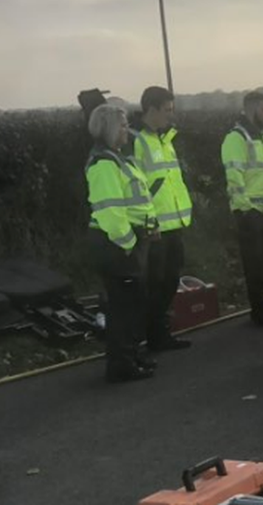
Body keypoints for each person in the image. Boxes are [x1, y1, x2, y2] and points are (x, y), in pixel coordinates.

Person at [86, 104, 158, 383]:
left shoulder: (118, 159)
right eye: (124, 125)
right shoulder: (104, 165)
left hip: (129, 241)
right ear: (111, 129)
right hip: (116, 244)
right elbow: (112, 213)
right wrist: (129, 245)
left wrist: (149, 229)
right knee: (123, 308)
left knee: (133, 304)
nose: (128, 130)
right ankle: (121, 365)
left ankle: (131, 356)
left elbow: (138, 202)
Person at [132, 86, 192, 352]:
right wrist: (148, 222)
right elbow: (134, 187)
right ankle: (152, 335)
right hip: (153, 227)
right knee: (155, 284)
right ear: (151, 109)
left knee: (169, 280)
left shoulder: (164, 139)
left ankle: (158, 333)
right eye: (167, 111)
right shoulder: (136, 140)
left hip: (173, 224)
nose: (171, 116)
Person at [221, 91, 263, 326]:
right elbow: (234, 178)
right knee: (254, 265)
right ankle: (260, 310)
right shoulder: (237, 138)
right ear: (251, 109)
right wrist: (245, 209)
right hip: (251, 213)